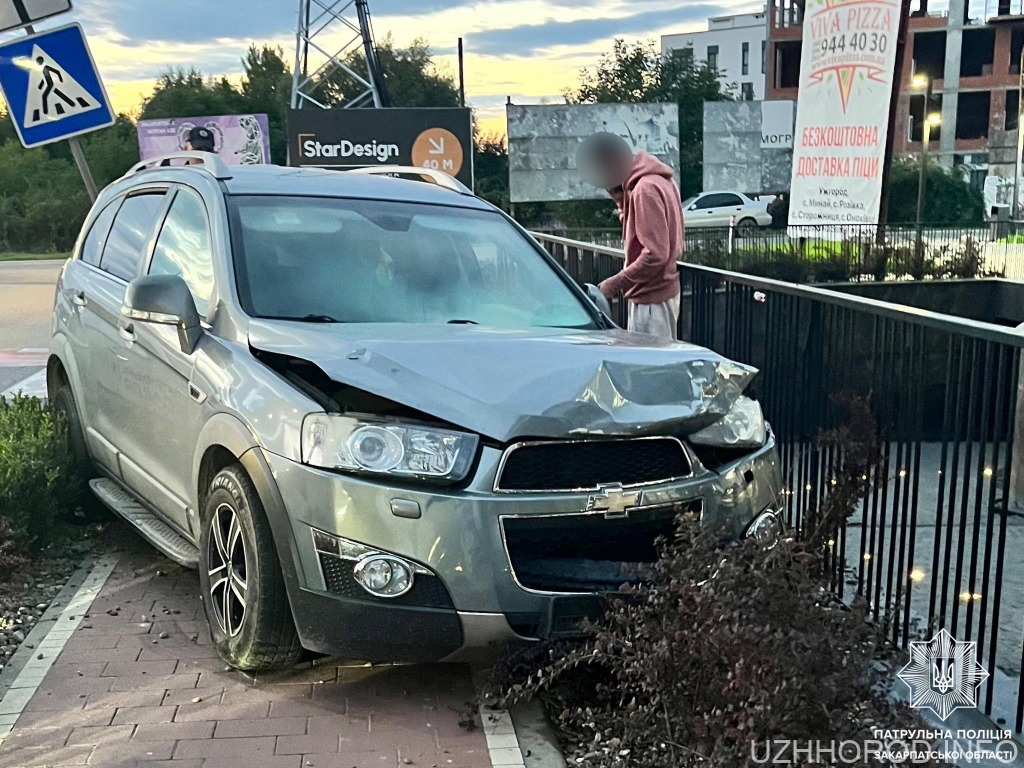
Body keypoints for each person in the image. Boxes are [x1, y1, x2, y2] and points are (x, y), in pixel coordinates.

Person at [577, 133, 683, 341]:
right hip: (660, 293)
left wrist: (615, 283)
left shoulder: (644, 190)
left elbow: (655, 254)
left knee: (648, 367)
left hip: (651, 298)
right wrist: (621, 199)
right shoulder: (660, 181)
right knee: (658, 363)